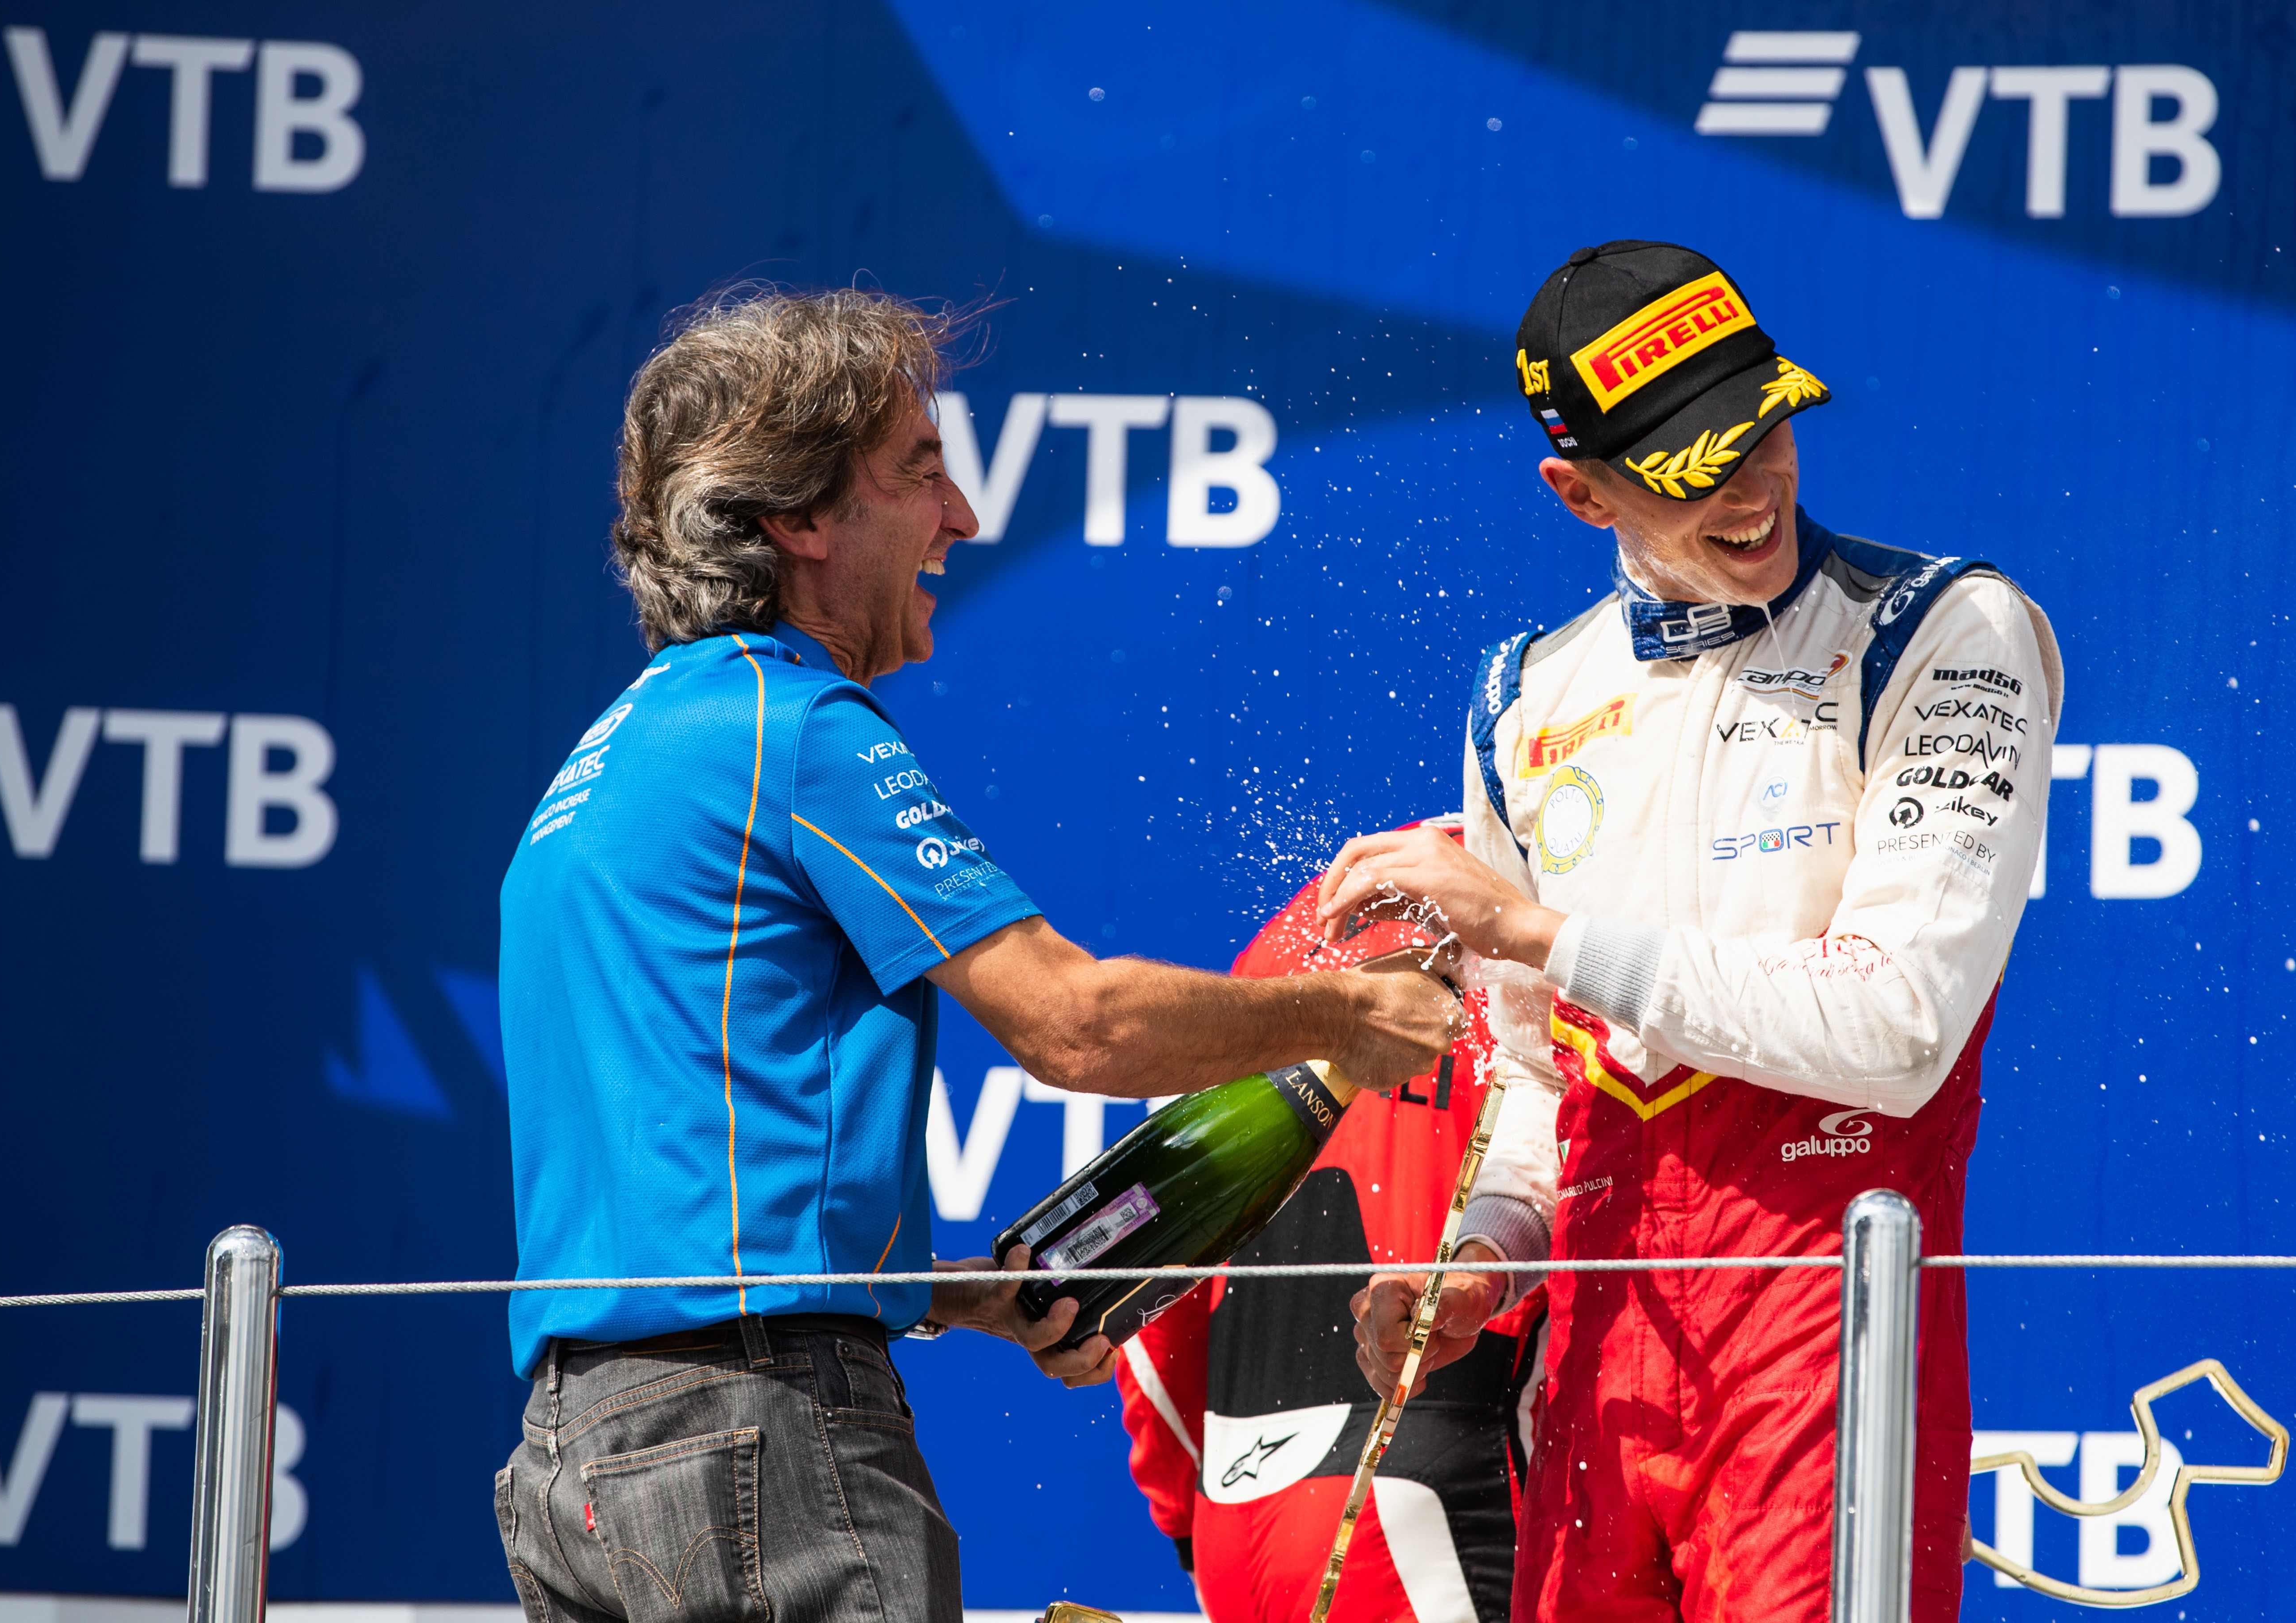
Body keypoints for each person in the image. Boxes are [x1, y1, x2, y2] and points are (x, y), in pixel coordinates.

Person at [489, 287, 1459, 1623]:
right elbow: (1075, 1025)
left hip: (580, 1463)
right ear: (800, 521)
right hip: (753, 1434)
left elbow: (670, 1206)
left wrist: (955, 1292)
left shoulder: (605, 765)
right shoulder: (793, 722)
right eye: (920, 472)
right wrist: (1346, 1017)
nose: (964, 518)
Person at [1317, 241, 2064, 1623]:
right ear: (1576, 490)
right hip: (1600, 1338)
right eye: (1688, 464)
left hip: (1823, 1309)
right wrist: (1482, 1256)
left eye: (1766, 427)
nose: (1753, 483)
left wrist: (1537, 930)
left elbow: (1894, 1030)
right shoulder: (1522, 695)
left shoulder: (1941, 629)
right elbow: (1542, 1083)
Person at [1116, 820, 1541, 1623]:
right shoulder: (1558, 920)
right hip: (1446, 1490)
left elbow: (1160, 1288)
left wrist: (1189, 1513)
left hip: (1238, 1518)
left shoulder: (1297, 929)